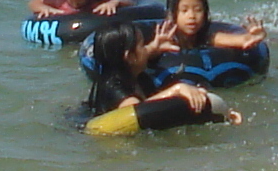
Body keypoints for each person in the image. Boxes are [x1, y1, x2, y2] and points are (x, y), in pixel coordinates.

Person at [80, 23, 237, 135]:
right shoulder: (112, 86)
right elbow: (135, 111)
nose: (147, 49)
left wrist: (221, 112)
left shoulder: (140, 77)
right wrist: (176, 90)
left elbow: (163, 108)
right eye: (142, 46)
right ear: (130, 57)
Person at [145, 0, 265, 73]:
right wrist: (154, 48)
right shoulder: (165, 38)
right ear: (172, 14)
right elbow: (135, 59)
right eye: (184, 10)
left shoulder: (207, 36)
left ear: (205, 13)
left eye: (198, 10)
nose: (191, 16)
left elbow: (236, 40)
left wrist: (252, 37)